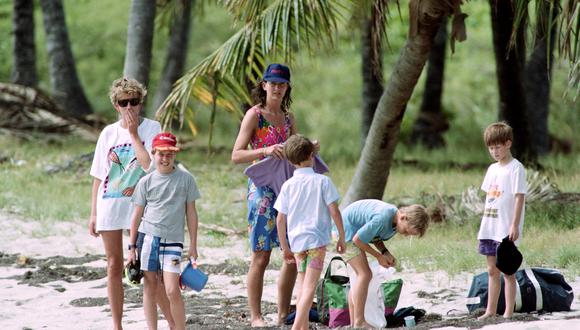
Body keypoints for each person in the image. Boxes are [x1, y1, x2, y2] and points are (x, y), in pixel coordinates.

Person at [89, 77, 174, 329]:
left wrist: (134, 134)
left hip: (142, 208)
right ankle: (117, 325)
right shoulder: (108, 133)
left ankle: (172, 321)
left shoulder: (152, 128)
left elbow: (149, 166)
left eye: (134, 102)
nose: (129, 108)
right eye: (123, 103)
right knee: (114, 265)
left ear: (141, 102)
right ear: (116, 105)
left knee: (149, 269)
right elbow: (98, 176)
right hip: (110, 205)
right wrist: (93, 213)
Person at [232, 63, 313, 327]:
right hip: (261, 190)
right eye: (272, 83)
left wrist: (310, 147)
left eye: (282, 83)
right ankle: (256, 316)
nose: (277, 88)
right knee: (261, 254)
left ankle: (281, 314)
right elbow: (236, 155)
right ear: (264, 85)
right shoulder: (255, 115)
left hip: (287, 189)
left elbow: (296, 153)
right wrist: (265, 151)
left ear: (287, 87)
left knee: (291, 254)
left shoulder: (289, 118)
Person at [126, 132, 201, 330]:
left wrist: (193, 245)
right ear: (153, 154)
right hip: (148, 239)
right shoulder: (145, 181)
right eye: (161, 154)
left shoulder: (186, 180)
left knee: (172, 289)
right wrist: (131, 247)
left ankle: (179, 327)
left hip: (174, 242)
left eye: (169, 154)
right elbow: (136, 216)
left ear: (175, 155)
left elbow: (191, 214)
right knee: (150, 286)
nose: (165, 158)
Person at [274, 135, 346, 330]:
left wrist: (284, 246)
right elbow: (334, 211)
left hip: (297, 243)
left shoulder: (288, 185)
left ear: (290, 161)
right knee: (309, 286)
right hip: (316, 242)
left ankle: (303, 325)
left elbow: (280, 219)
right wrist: (341, 236)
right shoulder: (323, 181)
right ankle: (297, 326)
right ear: (311, 155)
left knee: (302, 283)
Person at [339, 199, 429, 329]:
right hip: (343, 234)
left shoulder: (394, 222)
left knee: (358, 278)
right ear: (404, 217)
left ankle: (354, 324)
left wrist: (385, 252)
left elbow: (375, 236)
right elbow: (358, 240)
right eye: (406, 231)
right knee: (365, 275)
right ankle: (359, 321)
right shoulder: (384, 216)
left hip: (351, 234)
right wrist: (378, 256)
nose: (405, 235)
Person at [477, 122, 527, 320]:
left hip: (506, 228)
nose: (494, 151)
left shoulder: (516, 168)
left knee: (508, 271)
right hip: (490, 227)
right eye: (491, 147)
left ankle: (508, 313)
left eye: (498, 146)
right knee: (491, 270)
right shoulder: (492, 169)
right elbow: (489, 198)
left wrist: (514, 224)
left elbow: (519, 197)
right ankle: (490, 310)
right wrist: (483, 227)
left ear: (508, 144)